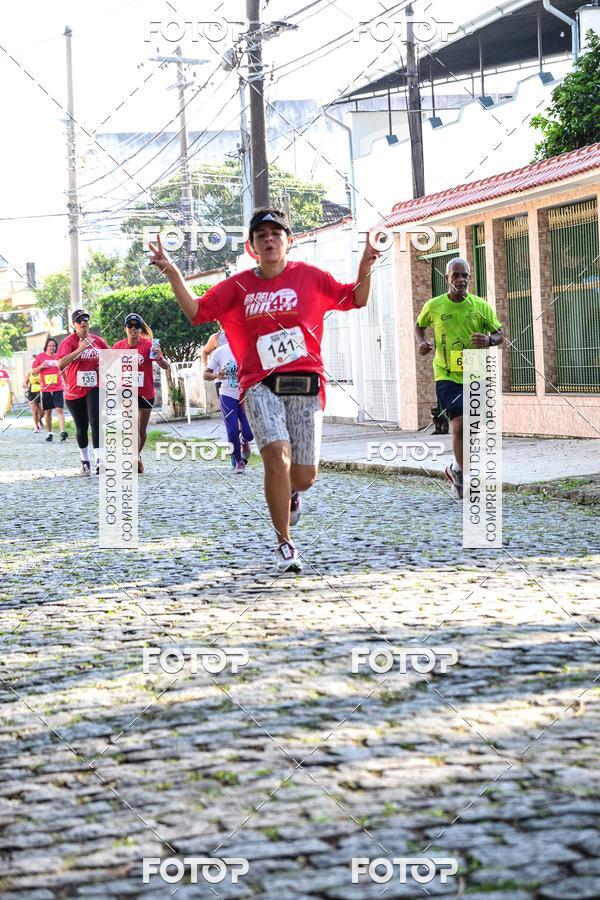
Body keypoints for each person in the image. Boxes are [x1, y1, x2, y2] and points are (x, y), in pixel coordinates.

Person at [150, 207, 380, 572]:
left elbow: (356, 298)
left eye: (276, 234)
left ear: (289, 241)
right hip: (258, 383)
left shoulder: (311, 277)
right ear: (252, 246)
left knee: (303, 476)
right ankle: (284, 543)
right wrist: (172, 272)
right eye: (262, 236)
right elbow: (196, 311)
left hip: (304, 381)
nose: (269, 240)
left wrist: (365, 263)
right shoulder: (238, 286)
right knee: (276, 454)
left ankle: (290, 494)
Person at [415, 258, 503, 500]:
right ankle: (466, 475)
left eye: (465, 275)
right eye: (456, 276)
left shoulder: (480, 306)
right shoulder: (434, 306)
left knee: (474, 428)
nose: (461, 280)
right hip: (447, 373)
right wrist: (422, 342)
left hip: (476, 369)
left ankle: (455, 468)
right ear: (447, 278)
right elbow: (419, 325)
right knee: (459, 424)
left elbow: (499, 334)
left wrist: (489, 341)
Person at [112, 313, 169, 473]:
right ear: (125, 328)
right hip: (126, 392)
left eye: (136, 326)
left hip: (146, 392)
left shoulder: (149, 345)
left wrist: (159, 358)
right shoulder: (118, 347)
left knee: (141, 430)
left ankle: (136, 456)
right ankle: (133, 459)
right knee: (132, 427)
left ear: (140, 329)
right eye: (130, 326)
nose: (133, 329)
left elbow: (165, 366)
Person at [57, 309, 108, 476]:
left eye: (86, 319)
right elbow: (60, 364)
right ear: (73, 325)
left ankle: (100, 461)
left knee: (95, 420)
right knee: (81, 427)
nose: (83, 322)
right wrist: (80, 349)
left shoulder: (98, 341)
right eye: (79, 320)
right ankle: (85, 461)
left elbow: (110, 359)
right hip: (73, 391)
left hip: (94, 387)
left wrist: (104, 365)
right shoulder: (68, 342)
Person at [204, 337, 253, 472]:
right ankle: (238, 461)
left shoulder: (248, 349)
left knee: (249, 433)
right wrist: (216, 375)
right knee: (232, 430)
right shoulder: (220, 351)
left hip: (245, 395)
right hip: (227, 395)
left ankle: (244, 440)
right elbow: (205, 374)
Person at [32, 337, 68, 442]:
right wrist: (41, 366)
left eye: (54, 346)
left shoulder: (58, 357)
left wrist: (67, 383)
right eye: (50, 345)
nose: (52, 347)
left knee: (59, 410)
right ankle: (49, 433)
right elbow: (33, 372)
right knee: (47, 412)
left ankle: (62, 432)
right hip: (46, 389)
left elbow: (64, 370)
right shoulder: (40, 357)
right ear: (46, 346)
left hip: (58, 388)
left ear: (56, 347)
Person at [202, 326, 227, 398]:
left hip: (239, 379)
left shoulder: (240, 334)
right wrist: (206, 367)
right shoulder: (216, 337)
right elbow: (205, 351)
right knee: (227, 408)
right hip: (221, 380)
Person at [23, 357, 43, 432]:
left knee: (42, 412)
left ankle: (40, 420)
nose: (33, 365)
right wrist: (25, 384)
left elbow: (45, 382)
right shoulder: (29, 373)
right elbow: (25, 383)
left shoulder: (42, 372)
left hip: (41, 392)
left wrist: (39, 381)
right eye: (32, 364)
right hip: (32, 393)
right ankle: (36, 426)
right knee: (34, 411)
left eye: (35, 364)